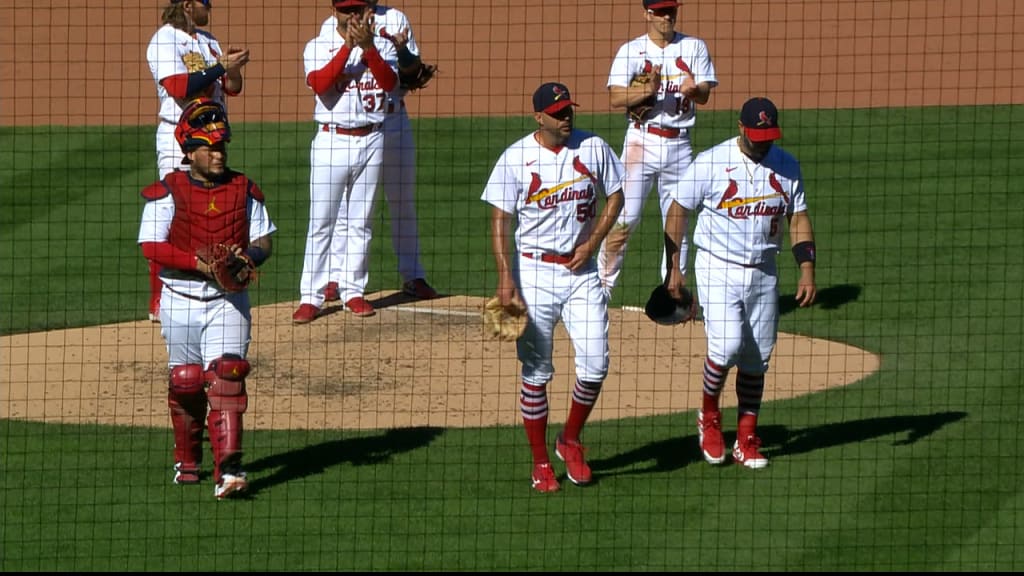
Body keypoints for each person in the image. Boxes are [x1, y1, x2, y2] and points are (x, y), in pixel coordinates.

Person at [482, 82, 626, 493]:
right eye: (558, 112)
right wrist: (505, 275)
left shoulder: (593, 147)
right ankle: (541, 462)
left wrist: (593, 242)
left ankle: (570, 439)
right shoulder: (516, 158)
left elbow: (616, 195)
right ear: (539, 117)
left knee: (596, 364)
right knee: (537, 372)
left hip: (581, 274)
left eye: (569, 111)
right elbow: (499, 220)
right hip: (535, 275)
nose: (566, 118)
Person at [663, 97, 817, 469]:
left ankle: (746, 438)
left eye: (768, 135)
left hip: (764, 270)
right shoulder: (712, 163)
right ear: (740, 127)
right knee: (728, 345)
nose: (763, 141)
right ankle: (709, 417)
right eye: (756, 134)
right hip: (718, 267)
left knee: (756, 359)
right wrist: (674, 267)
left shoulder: (787, 166)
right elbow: (678, 208)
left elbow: (798, 218)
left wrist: (807, 268)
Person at [138, 98, 276, 499]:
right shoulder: (168, 191)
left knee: (229, 375)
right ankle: (188, 459)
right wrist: (196, 263)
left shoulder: (243, 188)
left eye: (221, 147)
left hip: (227, 301)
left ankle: (229, 471)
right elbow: (151, 247)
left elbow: (264, 240)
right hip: (179, 298)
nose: (218, 154)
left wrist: (247, 257)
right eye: (209, 148)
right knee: (186, 382)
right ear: (189, 151)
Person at [318, 0, 440, 303]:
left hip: (393, 120)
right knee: (347, 208)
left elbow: (412, 73)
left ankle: (413, 275)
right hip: (357, 126)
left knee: (402, 201)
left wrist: (401, 51)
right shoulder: (330, 27)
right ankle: (336, 276)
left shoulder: (396, 18)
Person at [596, 0, 717, 297]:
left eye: (671, 10)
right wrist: (646, 91)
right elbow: (614, 98)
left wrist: (693, 90)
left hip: (679, 145)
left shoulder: (694, 47)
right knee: (624, 218)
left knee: (679, 220)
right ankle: (600, 288)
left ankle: (673, 292)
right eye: (661, 11)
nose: (667, 16)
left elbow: (703, 96)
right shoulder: (630, 51)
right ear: (647, 13)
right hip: (640, 142)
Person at [293, 0, 399, 324]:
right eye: (345, 10)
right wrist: (348, 48)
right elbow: (321, 84)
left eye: (357, 9)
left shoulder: (383, 45)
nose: (351, 16)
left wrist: (368, 49)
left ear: (368, 11)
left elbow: (390, 84)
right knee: (322, 221)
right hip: (331, 139)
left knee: (361, 221)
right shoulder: (318, 45)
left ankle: (353, 290)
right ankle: (311, 296)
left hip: (372, 138)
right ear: (333, 12)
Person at [145, 0, 250, 322]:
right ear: (189, 5)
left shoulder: (207, 40)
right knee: (175, 213)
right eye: (206, 3)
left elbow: (232, 89)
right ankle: (160, 300)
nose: (211, 8)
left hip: (213, 135)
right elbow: (179, 87)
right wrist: (219, 66)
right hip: (179, 138)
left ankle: (211, 282)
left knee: (210, 210)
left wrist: (231, 70)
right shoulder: (164, 40)